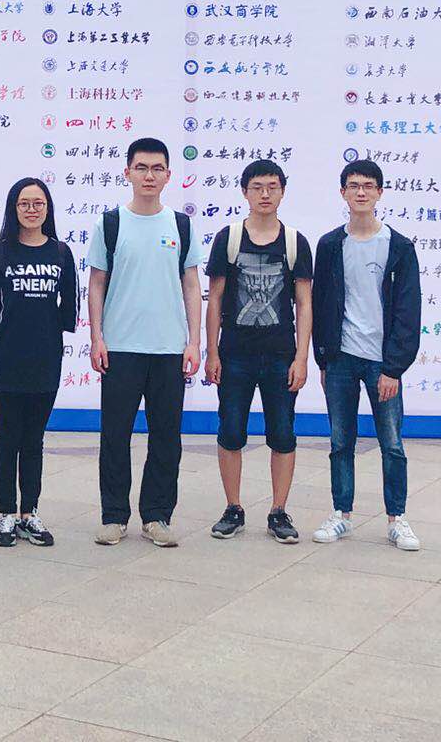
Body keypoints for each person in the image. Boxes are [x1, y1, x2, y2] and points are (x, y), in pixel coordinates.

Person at [88, 138, 203, 549]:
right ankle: (114, 516)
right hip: (120, 347)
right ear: (127, 173)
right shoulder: (110, 224)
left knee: (166, 438)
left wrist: (194, 342)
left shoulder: (181, 225)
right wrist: (97, 337)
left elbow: (191, 285)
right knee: (114, 435)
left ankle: (156, 516)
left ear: (169, 175)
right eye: (141, 167)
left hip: (169, 348)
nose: (149, 175)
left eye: (157, 168)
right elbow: (96, 283)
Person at [311, 159, 423, 551]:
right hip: (341, 358)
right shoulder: (329, 245)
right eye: (354, 185)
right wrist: (323, 359)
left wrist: (394, 368)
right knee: (341, 441)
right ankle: (341, 514)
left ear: (379, 193)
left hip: (382, 362)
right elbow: (320, 303)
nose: (361, 192)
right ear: (343, 192)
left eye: (369, 186)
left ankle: (397, 519)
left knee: (392, 444)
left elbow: (408, 311)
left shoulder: (399, 247)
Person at [204, 159, 313, 545]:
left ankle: (278, 511)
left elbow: (304, 302)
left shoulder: (295, 242)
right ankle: (233, 508)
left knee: (282, 434)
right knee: (231, 431)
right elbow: (215, 299)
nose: (265, 194)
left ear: (283, 191)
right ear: (245, 192)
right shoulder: (229, 238)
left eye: (272, 187)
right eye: (257, 187)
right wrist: (212, 352)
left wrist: (301, 358)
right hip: (234, 355)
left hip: (281, 356)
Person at [0, 178, 78, 547]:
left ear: (47, 208)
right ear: (13, 208)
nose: (31, 210)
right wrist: (1, 328)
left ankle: (29, 513)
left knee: (34, 440)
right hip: (6, 361)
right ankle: (6, 513)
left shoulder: (61, 252)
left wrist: (50, 334)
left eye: (38, 203)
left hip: (45, 359)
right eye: (24, 203)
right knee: (8, 438)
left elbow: (70, 303)